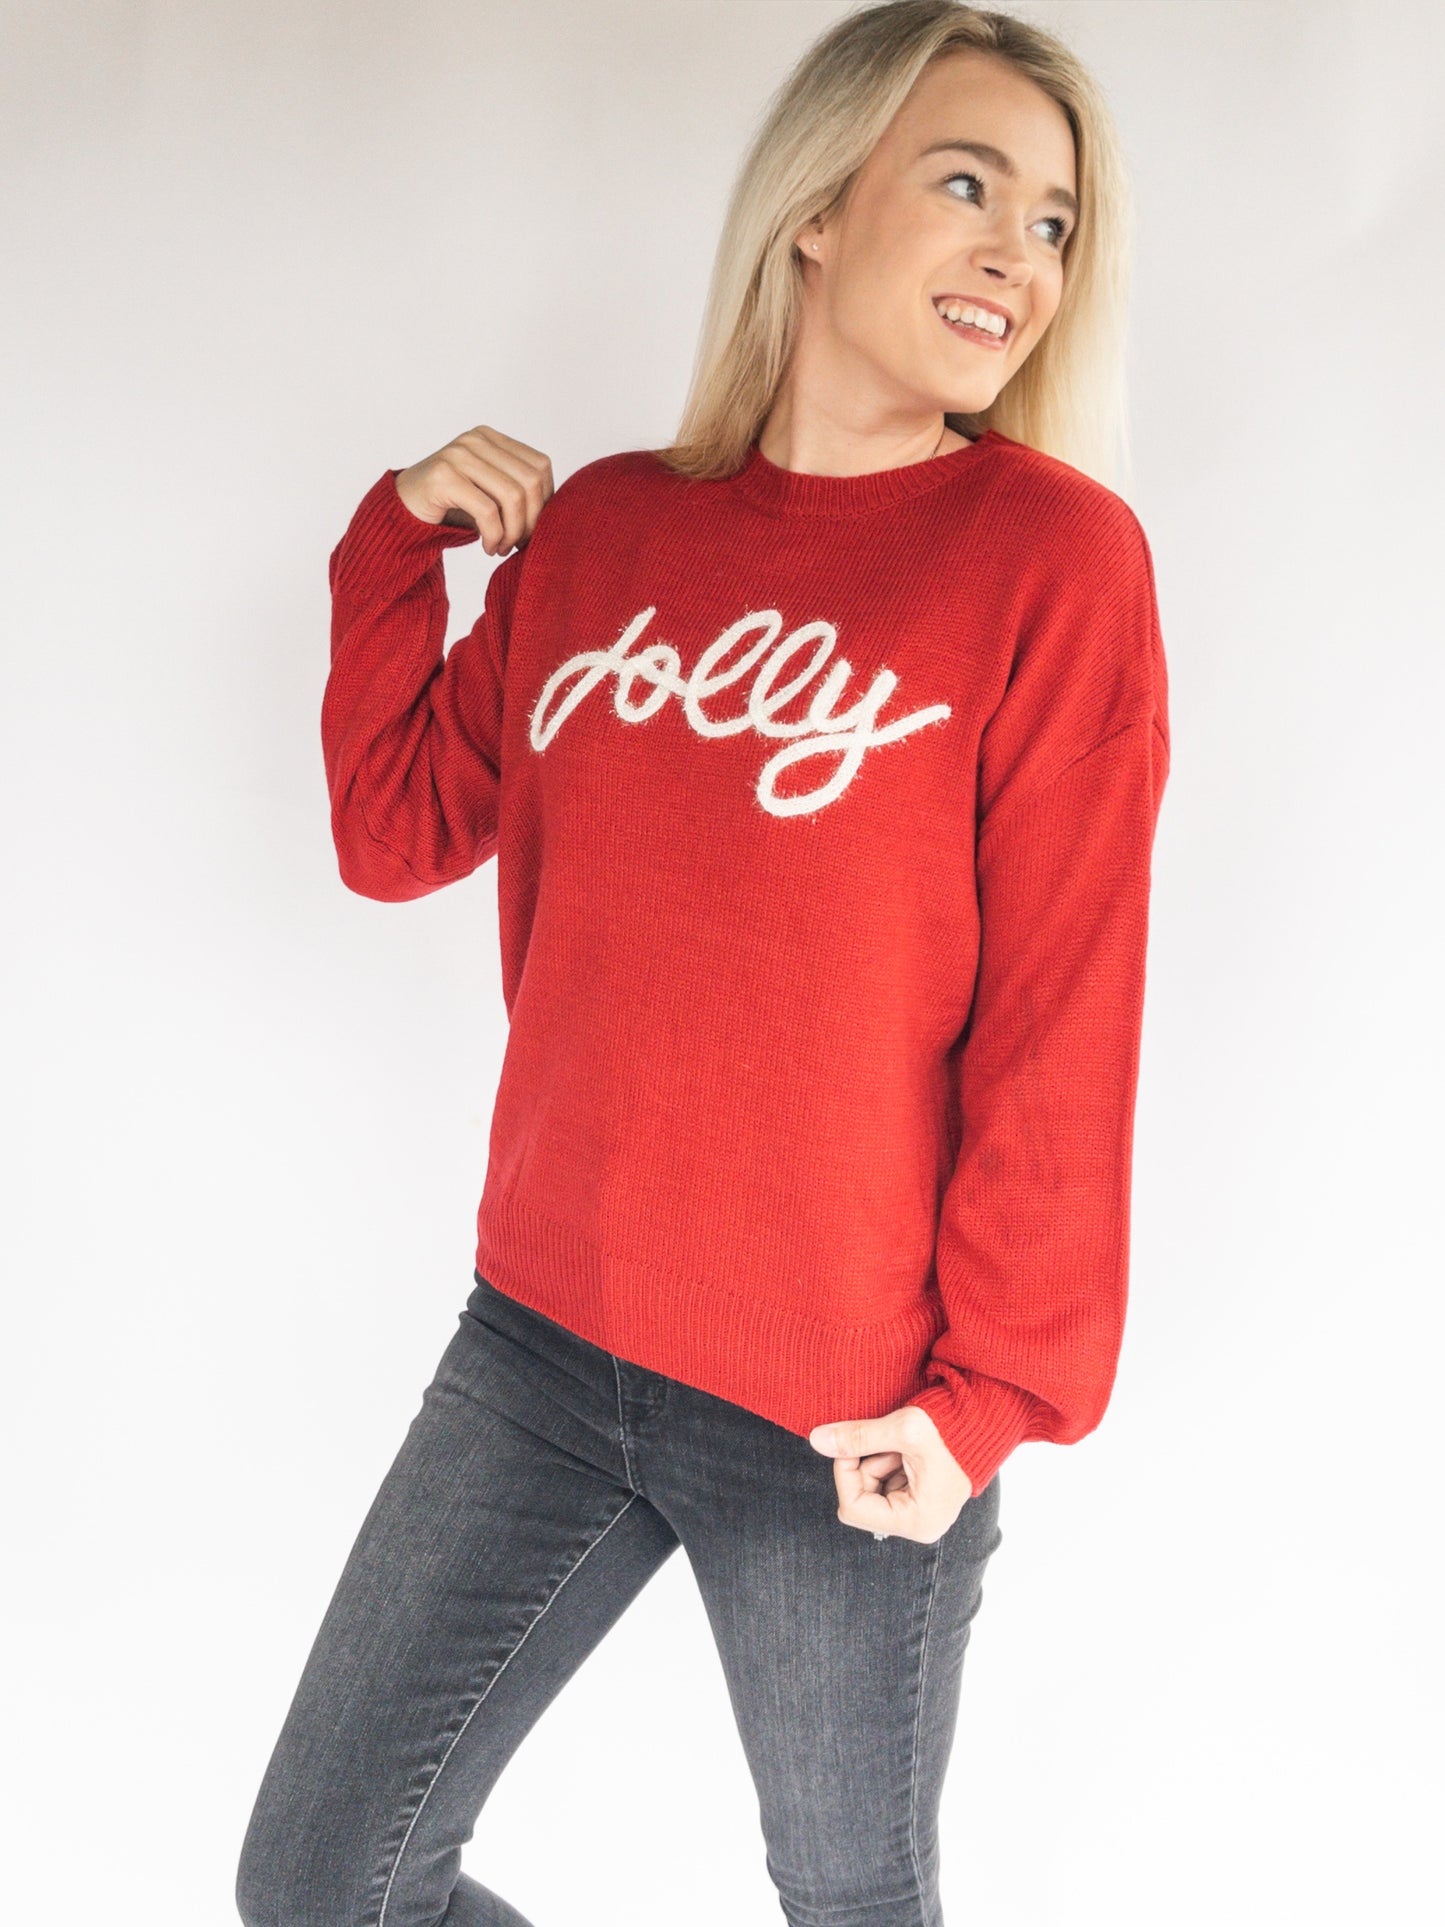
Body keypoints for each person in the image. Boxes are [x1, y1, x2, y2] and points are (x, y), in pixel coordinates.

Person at [235, 2, 1171, 1922]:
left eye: (1056, 223)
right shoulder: (601, 531)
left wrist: (981, 1397)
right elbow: (395, 829)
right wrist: (393, 554)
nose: (1017, 252)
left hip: (848, 1414)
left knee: (848, 1904)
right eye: (968, 180)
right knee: (327, 1880)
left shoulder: (1050, 564)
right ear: (818, 205)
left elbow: (1063, 1019)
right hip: (542, 1346)